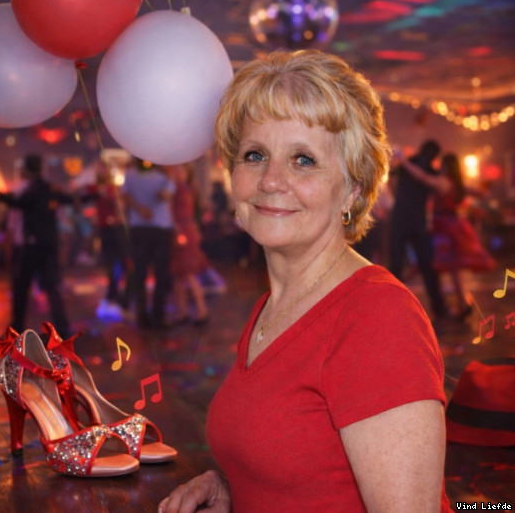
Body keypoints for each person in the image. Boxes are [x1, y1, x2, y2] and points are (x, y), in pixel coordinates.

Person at [159, 50, 452, 512]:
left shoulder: (376, 319)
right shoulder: (272, 306)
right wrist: (236, 488)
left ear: (353, 189)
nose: (271, 180)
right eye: (255, 155)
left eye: (303, 160)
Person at [399, 152, 495, 320]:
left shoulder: (443, 182)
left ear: (445, 166)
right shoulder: (457, 184)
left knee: (428, 263)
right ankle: (462, 305)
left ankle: (399, 288)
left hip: (444, 229)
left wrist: (404, 161)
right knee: (454, 269)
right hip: (455, 226)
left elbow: (422, 177)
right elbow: (483, 193)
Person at [0, 153, 72, 338]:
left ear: (26, 170)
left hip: (30, 246)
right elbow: (66, 202)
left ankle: (17, 329)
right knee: (52, 287)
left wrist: (1, 197)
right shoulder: (49, 189)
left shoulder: (25, 190)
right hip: (48, 245)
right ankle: (62, 329)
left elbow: (17, 207)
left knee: (21, 288)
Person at [389, 140, 449, 321]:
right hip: (415, 222)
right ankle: (439, 308)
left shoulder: (411, 164)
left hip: (402, 219)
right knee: (425, 266)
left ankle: (392, 307)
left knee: (397, 265)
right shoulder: (427, 168)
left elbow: (392, 179)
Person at [121, 159, 175, 329]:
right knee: (160, 274)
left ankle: (141, 315)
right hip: (160, 228)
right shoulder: (164, 176)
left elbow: (125, 195)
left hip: (138, 228)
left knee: (140, 273)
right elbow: (165, 195)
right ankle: (158, 316)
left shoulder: (130, 174)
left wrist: (139, 209)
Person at [84, 159, 132, 318]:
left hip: (118, 228)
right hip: (106, 229)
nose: (103, 172)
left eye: (105, 169)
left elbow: (122, 206)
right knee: (111, 263)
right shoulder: (94, 188)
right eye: (101, 169)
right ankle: (113, 296)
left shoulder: (115, 188)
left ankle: (117, 296)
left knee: (124, 263)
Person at [169, 163, 210, 325]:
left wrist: (180, 231)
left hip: (182, 232)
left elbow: (181, 213)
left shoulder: (182, 189)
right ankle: (185, 311)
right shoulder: (181, 188)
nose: (177, 172)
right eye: (175, 169)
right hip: (182, 231)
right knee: (178, 274)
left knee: (188, 272)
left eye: (180, 170)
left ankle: (201, 310)